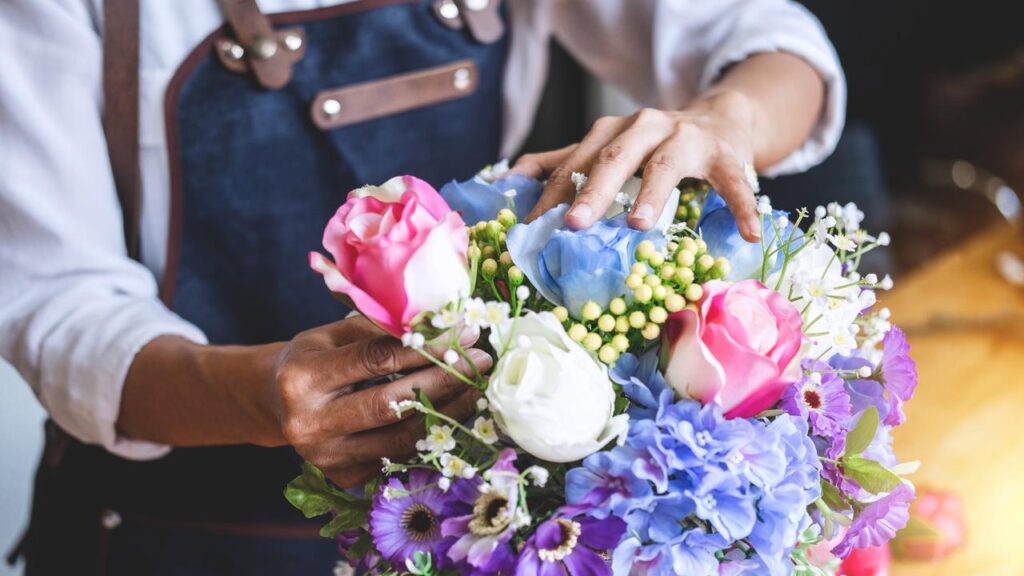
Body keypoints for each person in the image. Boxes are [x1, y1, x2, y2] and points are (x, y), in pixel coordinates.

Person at [0, 0, 844, 573]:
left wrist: (719, 122)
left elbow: (773, 44)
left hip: (464, 535)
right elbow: (57, 305)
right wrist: (263, 397)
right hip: (170, 537)